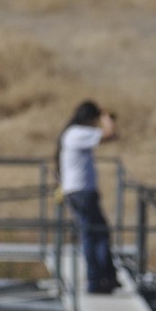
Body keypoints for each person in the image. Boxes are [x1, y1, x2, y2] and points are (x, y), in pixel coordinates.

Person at [56, 100, 120, 294]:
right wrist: (106, 118)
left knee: (95, 234)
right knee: (94, 236)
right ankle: (97, 281)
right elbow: (110, 135)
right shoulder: (78, 132)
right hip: (82, 192)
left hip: (78, 191)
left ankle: (106, 277)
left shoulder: (72, 133)